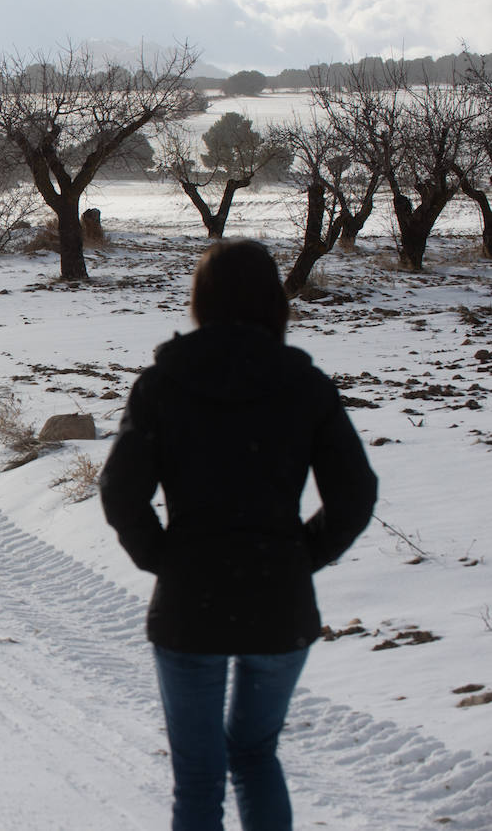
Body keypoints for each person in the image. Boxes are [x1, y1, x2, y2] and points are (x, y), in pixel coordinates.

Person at [99, 239, 377, 831]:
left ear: (201, 301)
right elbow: (355, 496)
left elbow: (120, 492)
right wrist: (300, 556)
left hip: (189, 604)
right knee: (254, 755)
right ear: (275, 303)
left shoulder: (161, 385)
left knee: (198, 779)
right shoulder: (306, 386)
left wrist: (165, 559)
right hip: (280, 603)